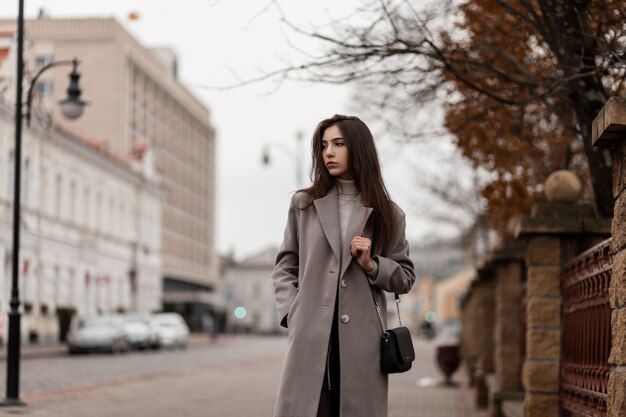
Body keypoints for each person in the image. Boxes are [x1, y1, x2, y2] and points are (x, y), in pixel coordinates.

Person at [272, 115, 416, 417]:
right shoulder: (304, 204)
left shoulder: (388, 214)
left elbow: (404, 277)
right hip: (311, 337)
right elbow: (286, 265)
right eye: (324, 145)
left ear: (358, 149)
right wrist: (291, 313)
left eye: (338, 144)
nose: (329, 152)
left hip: (362, 346)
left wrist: (373, 264)